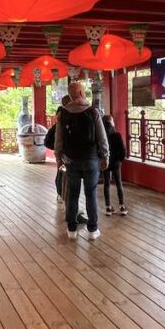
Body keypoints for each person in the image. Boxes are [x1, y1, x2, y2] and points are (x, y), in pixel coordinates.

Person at [55, 82, 109, 240]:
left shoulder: (63, 114)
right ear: (80, 92)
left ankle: (72, 230)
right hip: (91, 159)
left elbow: (59, 139)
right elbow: (102, 137)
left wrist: (59, 158)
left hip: (71, 161)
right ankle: (92, 231)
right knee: (90, 194)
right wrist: (105, 156)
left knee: (72, 194)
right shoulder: (93, 112)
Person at [102, 115, 128, 216]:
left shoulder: (101, 135)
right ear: (111, 122)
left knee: (106, 184)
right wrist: (120, 160)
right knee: (118, 183)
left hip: (105, 162)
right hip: (116, 162)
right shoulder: (117, 134)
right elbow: (123, 150)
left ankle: (108, 207)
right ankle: (122, 206)